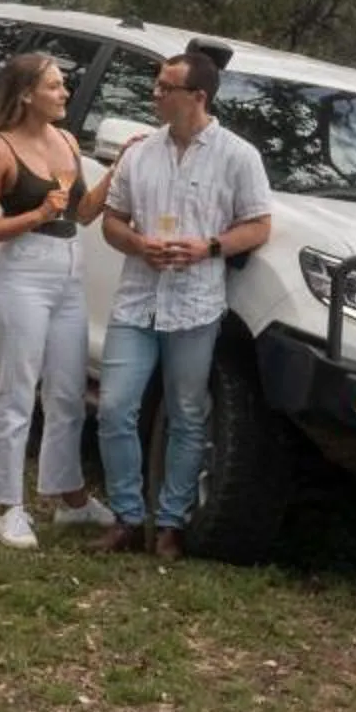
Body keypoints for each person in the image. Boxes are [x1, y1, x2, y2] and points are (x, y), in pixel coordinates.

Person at [92, 47, 272, 562]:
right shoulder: (140, 152)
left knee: (189, 413)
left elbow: (259, 224)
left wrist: (207, 248)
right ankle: (128, 516)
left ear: (197, 96)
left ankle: (170, 523)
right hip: (138, 300)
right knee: (114, 408)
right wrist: (137, 244)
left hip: (195, 303)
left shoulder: (239, 156)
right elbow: (112, 220)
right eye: (156, 85)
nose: (155, 94)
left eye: (164, 88)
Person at [0, 52, 122, 549]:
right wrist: (34, 215)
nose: (65, 94)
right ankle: (6, 506)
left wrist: (117, 172)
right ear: (28, 94)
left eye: (63, 85)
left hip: (70, 273)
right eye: (55, 86)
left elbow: (85, 213)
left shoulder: (68, 141)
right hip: (23, 276)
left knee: (68, 392)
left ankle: (68, 498)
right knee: (17, 392)